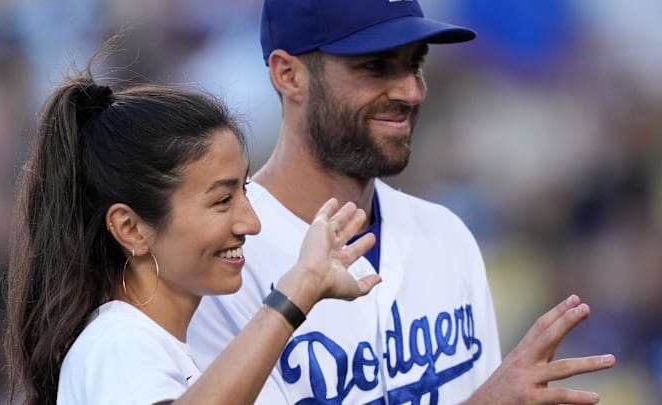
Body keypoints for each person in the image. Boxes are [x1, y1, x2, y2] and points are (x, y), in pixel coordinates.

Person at [188, 0, 616, 404]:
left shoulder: (446, 235)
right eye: (375, 66)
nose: (410, 91)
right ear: (288, 74)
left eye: (415, 64)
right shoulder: (221, 264)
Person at [3, 51, 383, 405]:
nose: (250, 223)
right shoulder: (115, 343)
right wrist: (296, 291)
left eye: (244, 190)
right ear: (130, 228)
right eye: (222, 201)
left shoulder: (166, 347)